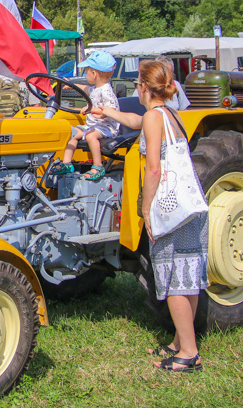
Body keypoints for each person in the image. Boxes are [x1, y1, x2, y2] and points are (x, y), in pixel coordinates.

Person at [93, 60, 207, 372]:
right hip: (191, 206)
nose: (135, 90)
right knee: (186, 274)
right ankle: (180, 341)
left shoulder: (155, 118)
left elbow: (154, 167)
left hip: (169, 206)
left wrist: (146, 207)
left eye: (136, 86)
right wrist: (110, 113)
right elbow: (136, 120)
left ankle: (189, 354)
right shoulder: (171, 114)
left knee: (171, 279)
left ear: (143, 87)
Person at [48, 50, 119, 181]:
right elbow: (85, 89)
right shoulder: (96, 88)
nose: (85, 75)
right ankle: (67, 163)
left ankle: (98, 166)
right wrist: (71, 84)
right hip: (93, 125)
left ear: (94, 74)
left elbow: (112, 110)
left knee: (91, 136)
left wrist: (93, 110)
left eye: (86, 72)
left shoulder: (106, 91)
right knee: (73, 133)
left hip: (106, 127)